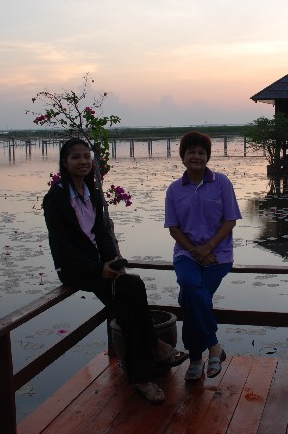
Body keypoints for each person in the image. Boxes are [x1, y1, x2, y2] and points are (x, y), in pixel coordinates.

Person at [43, 138, 188, 404]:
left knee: (128, 307)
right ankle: (153, 352)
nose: (83, 161)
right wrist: (98, 269)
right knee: (132, 289)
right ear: (64, 162)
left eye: (87, 156)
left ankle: (142, 375)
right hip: (75, 269)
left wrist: (113, 261)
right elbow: (63, 246)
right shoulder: (56, 198)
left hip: (100, 265)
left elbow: (102, 233)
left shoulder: (91, 193)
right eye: (76, 157)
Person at [164, 131, 242, 381]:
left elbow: (230, 220)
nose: (196, 156)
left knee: (190, 300)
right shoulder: (174, 189)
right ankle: (214, 346)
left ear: (208, 157)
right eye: (191, 152)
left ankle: (196, 358)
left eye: (201, 152)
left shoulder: (221, 183)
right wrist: (195, 251)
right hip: (186, 254)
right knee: (190, 286)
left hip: (218, 255)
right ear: (183, 157)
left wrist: (208, 247)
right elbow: (173, 228)